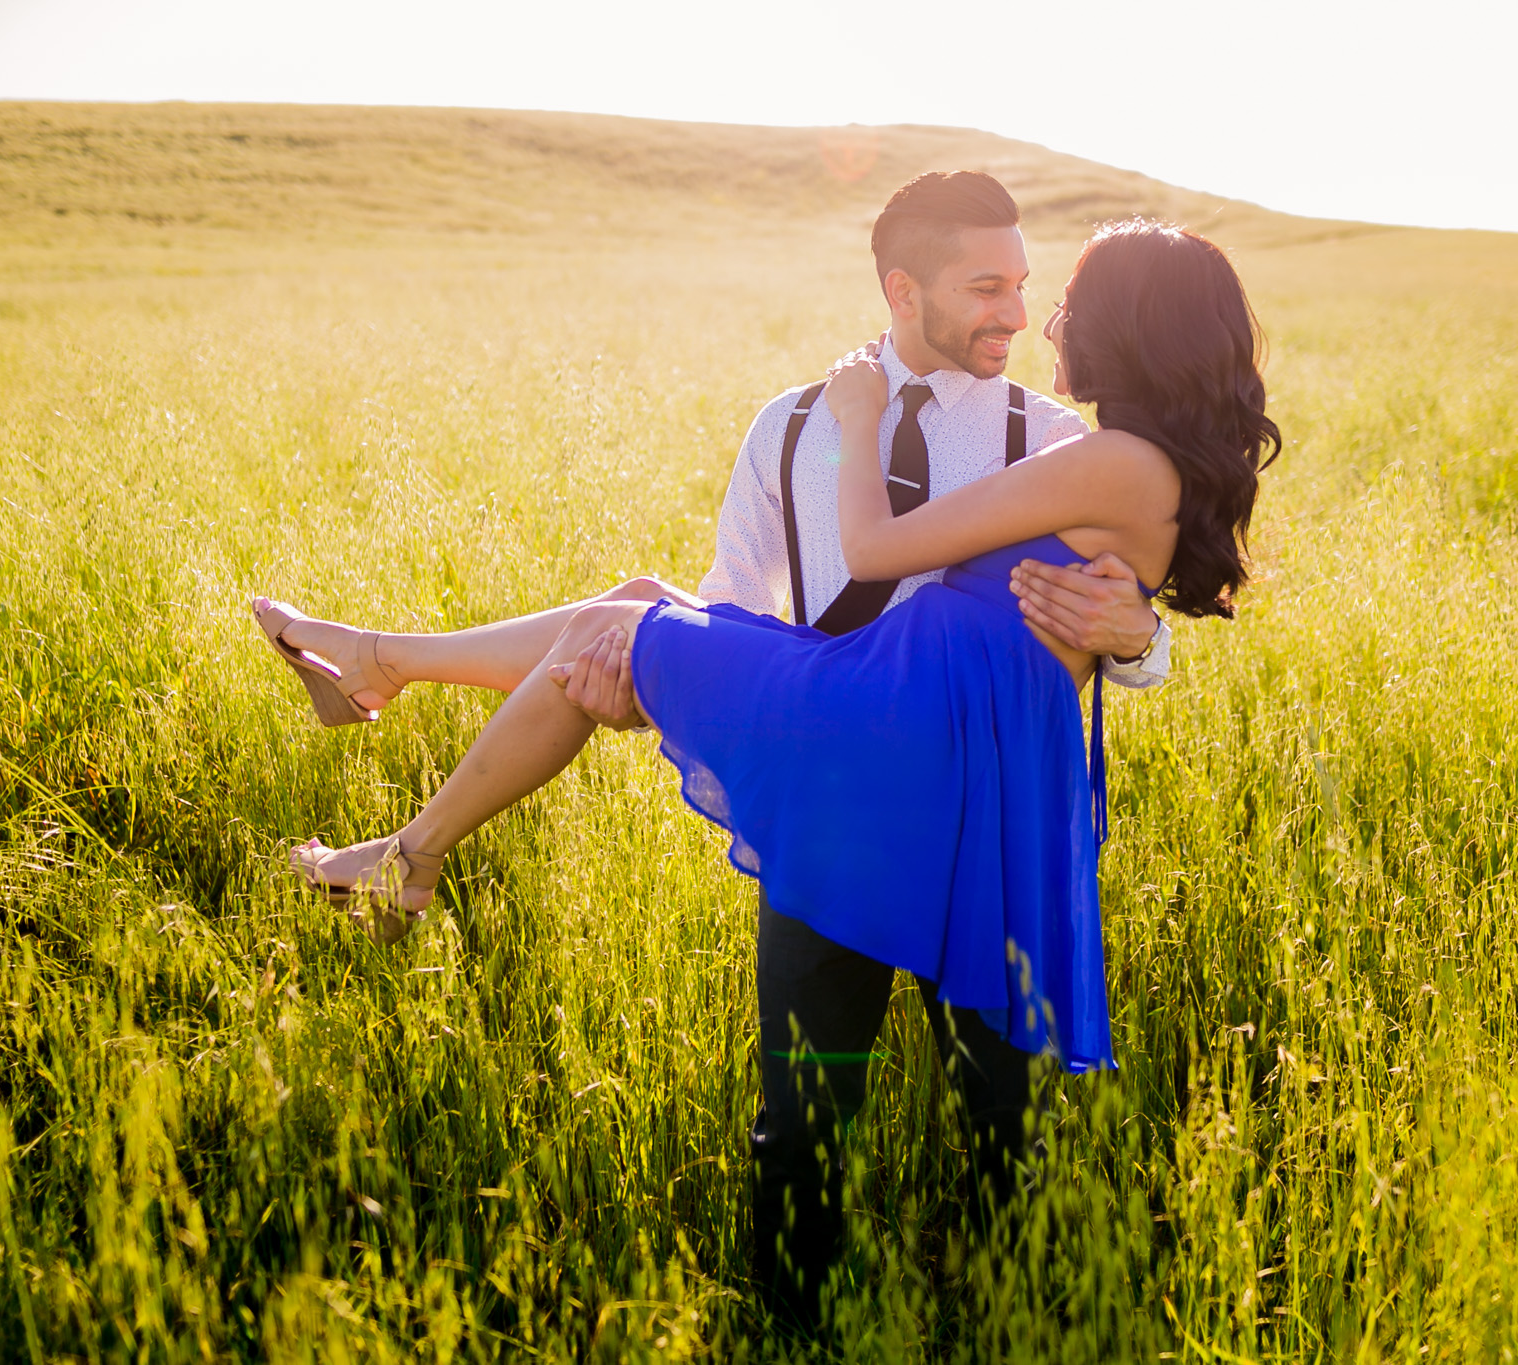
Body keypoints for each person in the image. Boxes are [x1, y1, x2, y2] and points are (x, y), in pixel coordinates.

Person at [254, 188, 1278, 1329]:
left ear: (1130, 328)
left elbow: (1049, 605)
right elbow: (743, 605)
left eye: (1043, 291)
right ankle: (800, 1320)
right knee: (804, 1109)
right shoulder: (787, 428)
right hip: (856, 771)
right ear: (904, 289)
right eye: (992, 288)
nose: (1028, 317)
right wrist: (668, 694)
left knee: (1006, 1113)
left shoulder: (1065, 442)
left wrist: (1134, 636)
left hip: (938, 777)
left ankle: (393, 750)